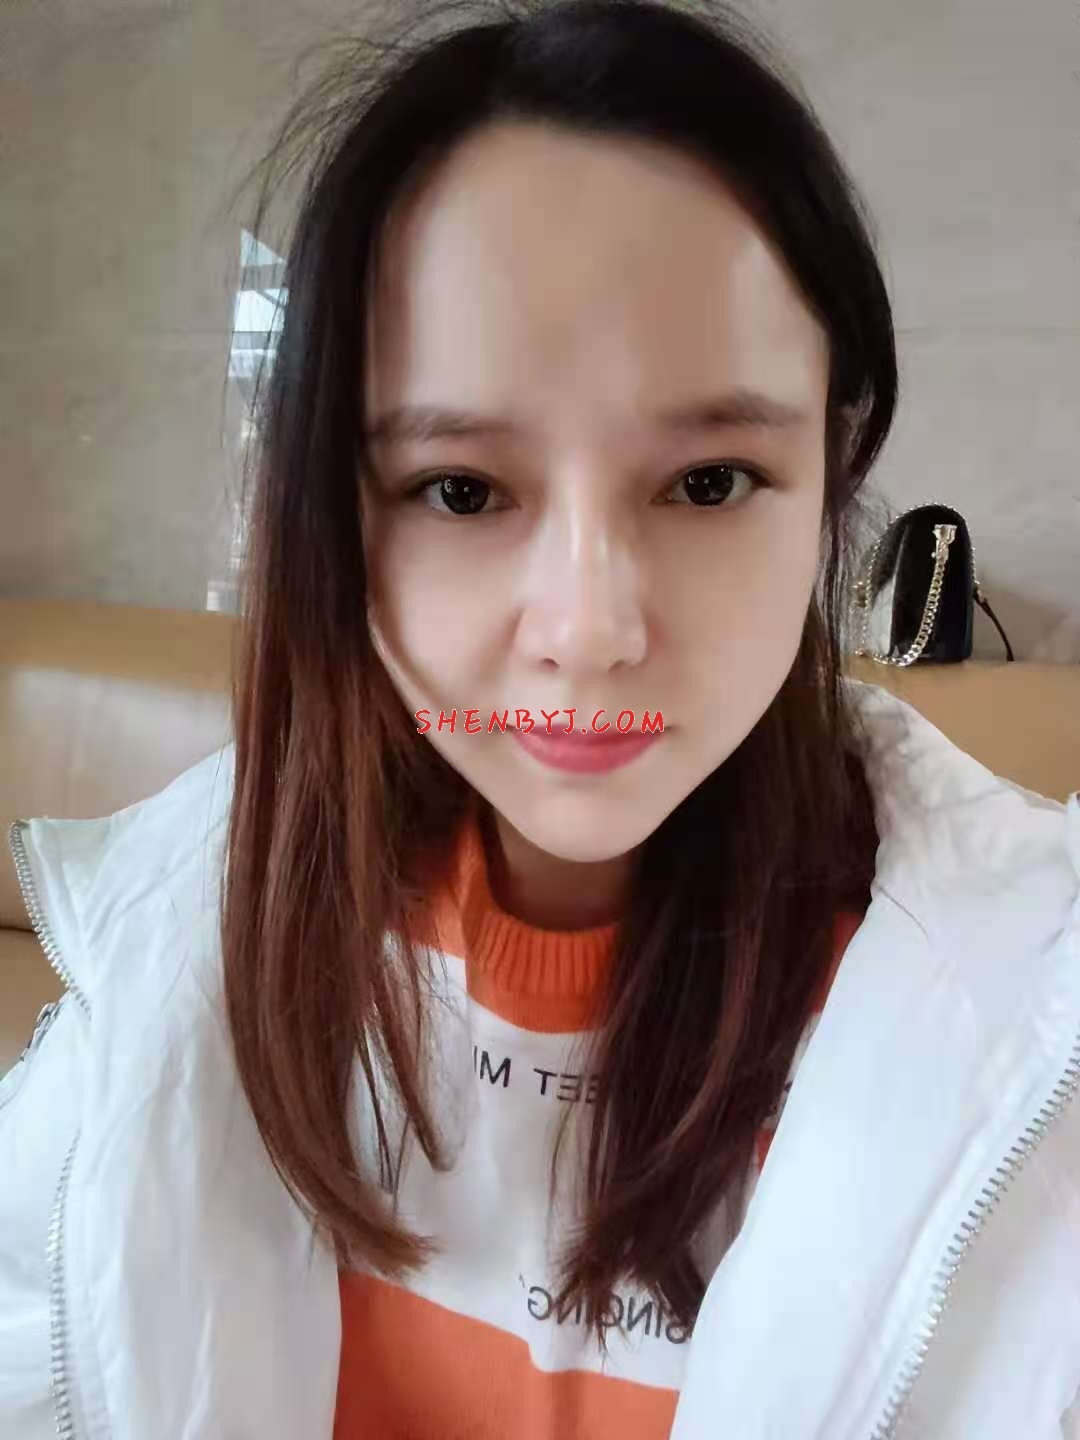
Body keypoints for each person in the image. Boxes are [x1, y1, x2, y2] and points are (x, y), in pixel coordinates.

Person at [2, 2, 1078, 1436]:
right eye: (461, 489)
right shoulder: (170, 960)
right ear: (334, 514)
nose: (588, 627)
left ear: (833, 471)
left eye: (708, 482)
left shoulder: (1029, 1044)